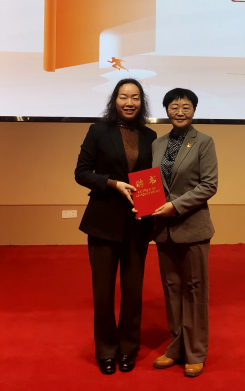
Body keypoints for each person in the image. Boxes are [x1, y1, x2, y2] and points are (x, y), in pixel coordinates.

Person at [74, 78, 157, 375]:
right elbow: (81, 173)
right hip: (103, 222)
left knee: (133, 291)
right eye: (123, 96)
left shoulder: (150, 135)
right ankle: (106, 350)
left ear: (142, 102)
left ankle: (128, 348)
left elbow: (150, 178)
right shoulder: (98, 131)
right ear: (115, 100)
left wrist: (149, 208)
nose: (129, 102)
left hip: (137, 222)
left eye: (135, 97)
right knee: (103, 293)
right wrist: (111, 183)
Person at [148, 88, 218, 377]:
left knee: (194, 289)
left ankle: (195, 351)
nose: (180, 111)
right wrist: (146, 204)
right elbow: (151, 183)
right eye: (174, 106)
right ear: (166, 110)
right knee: (172, 288)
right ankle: (176, 346)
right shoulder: (157, 143)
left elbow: (209, 185)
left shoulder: (204, 142)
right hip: (163, 230)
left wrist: (174, 206)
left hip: (192, 226)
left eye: (186, 106)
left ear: (194, 110)